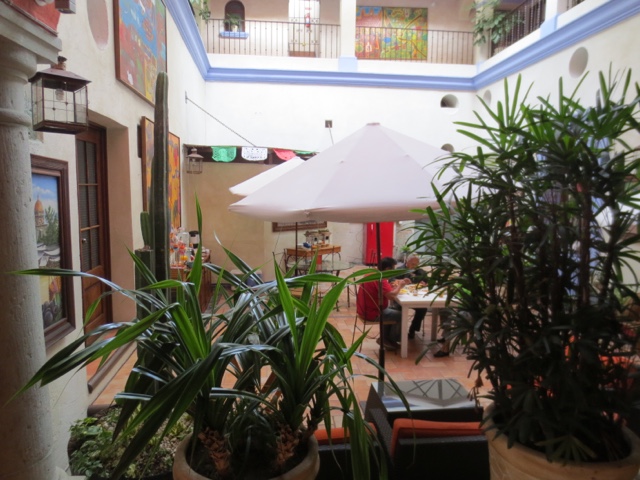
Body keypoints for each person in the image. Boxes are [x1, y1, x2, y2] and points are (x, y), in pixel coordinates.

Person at [356, 256, 411, 351]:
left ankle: (385, 338)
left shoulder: (372, 273)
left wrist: (392, 285)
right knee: (401, 315)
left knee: (396, 309)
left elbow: (384, 290)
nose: (394, 272)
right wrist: (400, 286)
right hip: (372, 313)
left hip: (364, 309)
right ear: (388, 269)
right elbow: (391, 296)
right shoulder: (380, 279)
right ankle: (391, 340)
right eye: (393, 269)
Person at [396, 254, 429, 339]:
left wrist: (425, 283)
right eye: (412, 263)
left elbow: (428, 282)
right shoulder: (399, 270)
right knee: (398, 308)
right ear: (407, 261)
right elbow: (391, 280)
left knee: (422, 308)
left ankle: (413, 329)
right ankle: (399, 332)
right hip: (401, 296)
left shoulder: (421, 272)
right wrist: (401, 281)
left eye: (416, 264)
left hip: (416, 297)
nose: (414, 266)